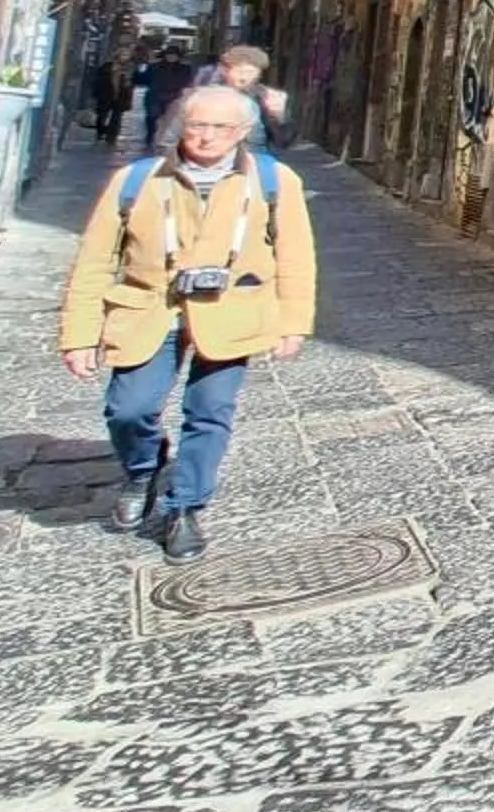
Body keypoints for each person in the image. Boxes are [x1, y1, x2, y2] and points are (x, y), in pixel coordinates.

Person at [60, 85, 318, 563]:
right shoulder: (137, 181)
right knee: (129, 408)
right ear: (181, 125)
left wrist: (293, 323)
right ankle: (143, 469)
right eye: (197, 124)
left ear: (243, 131)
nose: (206, 136)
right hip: (149, 309)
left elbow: (296, 258)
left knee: (211, 411)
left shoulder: (273, 181)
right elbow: (94, 262)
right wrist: (79, 335)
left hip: (232, 310)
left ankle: (185, 507)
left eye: (221, 127)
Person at [163, 43, 289, 150]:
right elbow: (167, 140)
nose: (244, 78)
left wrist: (279, 116)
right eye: (239, 71)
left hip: (252, 160)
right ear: (223, 70)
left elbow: (283, 142)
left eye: (251, 72)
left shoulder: (264, 97)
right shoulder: (198, 97)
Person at [139, 43, 198, 152]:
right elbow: (144, 80)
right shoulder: (154, 66)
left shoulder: (185, 68)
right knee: (152, 117)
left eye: (174, 55)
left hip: (174, 97)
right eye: (169, 55)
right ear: (165, 55)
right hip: (155, 95)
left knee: (169, 120)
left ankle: (161, 140)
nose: (171, 57)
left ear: (178, 56)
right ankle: (150, 137)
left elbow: (188, 82)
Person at [85, 52, 127, 146]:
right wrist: (95, 94)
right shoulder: (106, 67)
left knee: (116, 118)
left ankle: (111, 137)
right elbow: (98, 80)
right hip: (106, 95)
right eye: (123, 55)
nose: (124, 57)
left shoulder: (127, 69)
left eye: (126, 56)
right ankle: (100, 132)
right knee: (101, 116)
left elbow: (130, 83)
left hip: (120, 97)